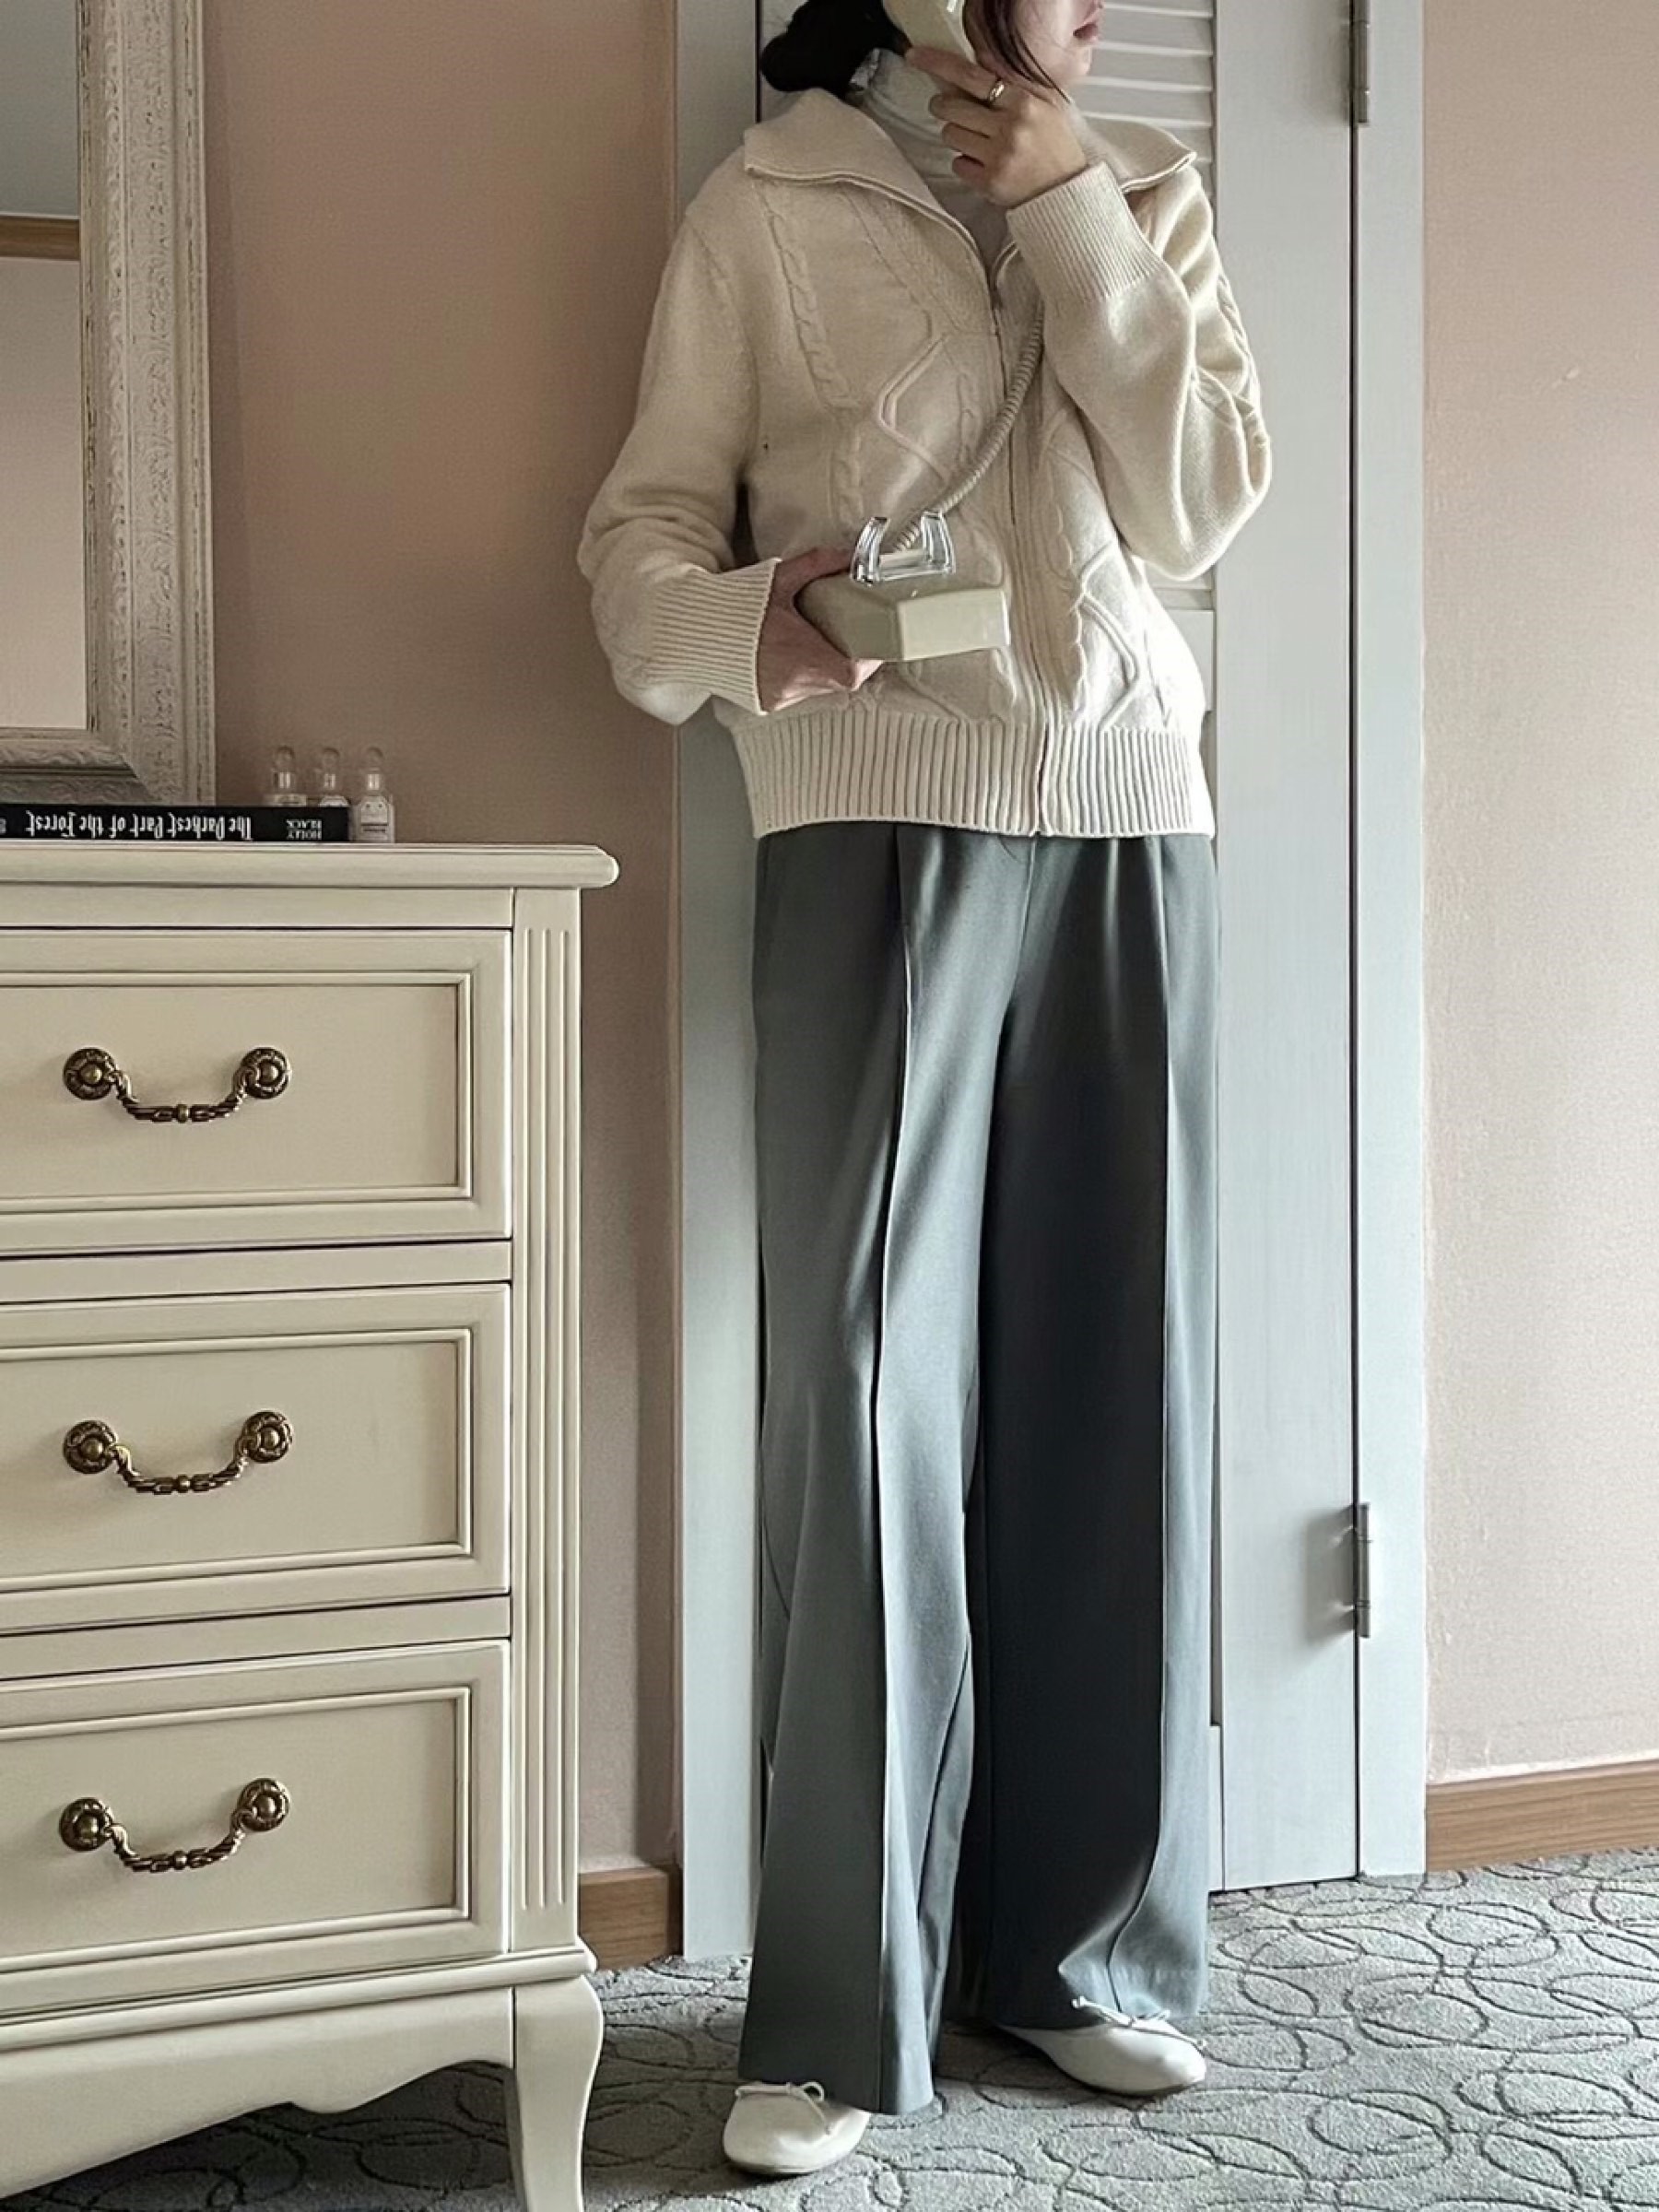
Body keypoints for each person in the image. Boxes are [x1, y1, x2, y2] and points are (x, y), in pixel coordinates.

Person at [578, 0, 1272, 2178]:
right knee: (866, 1400)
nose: (1091, 8)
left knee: (1117, 1382)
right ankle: (839, 2008)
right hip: (872, 818)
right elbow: (635, 555)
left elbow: (1203, 507)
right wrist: (751, 630)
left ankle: (1085, 1960)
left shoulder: (1145, 185)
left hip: (1132, 826)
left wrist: (1070, 207)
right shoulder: (766, 205)